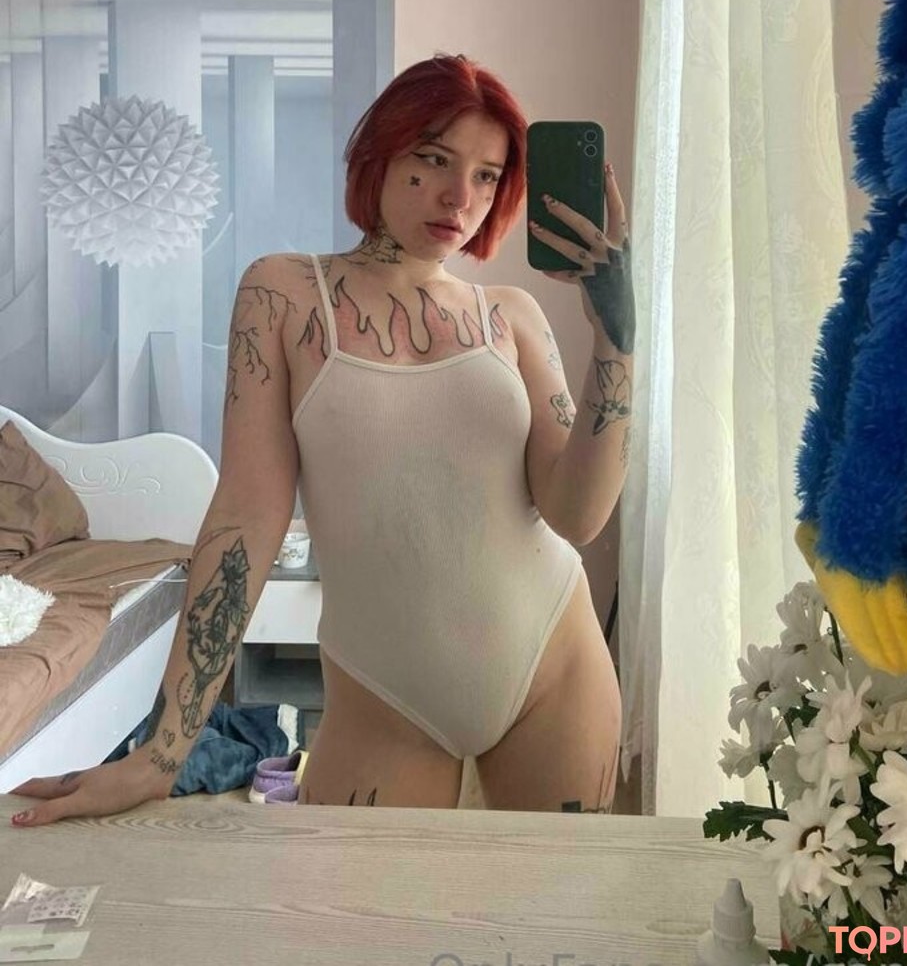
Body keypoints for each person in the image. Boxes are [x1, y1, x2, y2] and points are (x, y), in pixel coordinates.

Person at [11, 53, 635, 825]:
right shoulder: (281, 293)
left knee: (554, 904)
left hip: (554, 665)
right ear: (382, 150)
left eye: (487, 175)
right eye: (435, 158)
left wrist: (617, 340)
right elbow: (247, 517)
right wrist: (161, 753)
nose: (459, 196)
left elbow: (578, 512)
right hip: (386, 696)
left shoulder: (513, 316)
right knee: (357, 906)